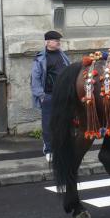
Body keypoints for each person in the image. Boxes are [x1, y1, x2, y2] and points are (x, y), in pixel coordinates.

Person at [31, 30, 71, 161]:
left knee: (64, 123)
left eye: (59, 40)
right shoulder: (41, 58)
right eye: (55, 40)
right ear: (47, 42)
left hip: (63, 95)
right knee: (48, 124)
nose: (58, 42)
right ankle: (49, 149)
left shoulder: (62, 55)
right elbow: (35, 78)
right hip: (48, 95)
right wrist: (41, 95)